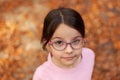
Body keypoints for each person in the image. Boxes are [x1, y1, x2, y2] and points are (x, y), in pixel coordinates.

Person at [33, 7, 95, 80]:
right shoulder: (42, 76)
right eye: (59, 42)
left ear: (83, 39)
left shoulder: (89, 56)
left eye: (75, 41)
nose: (69, 50)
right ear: (47, 45)